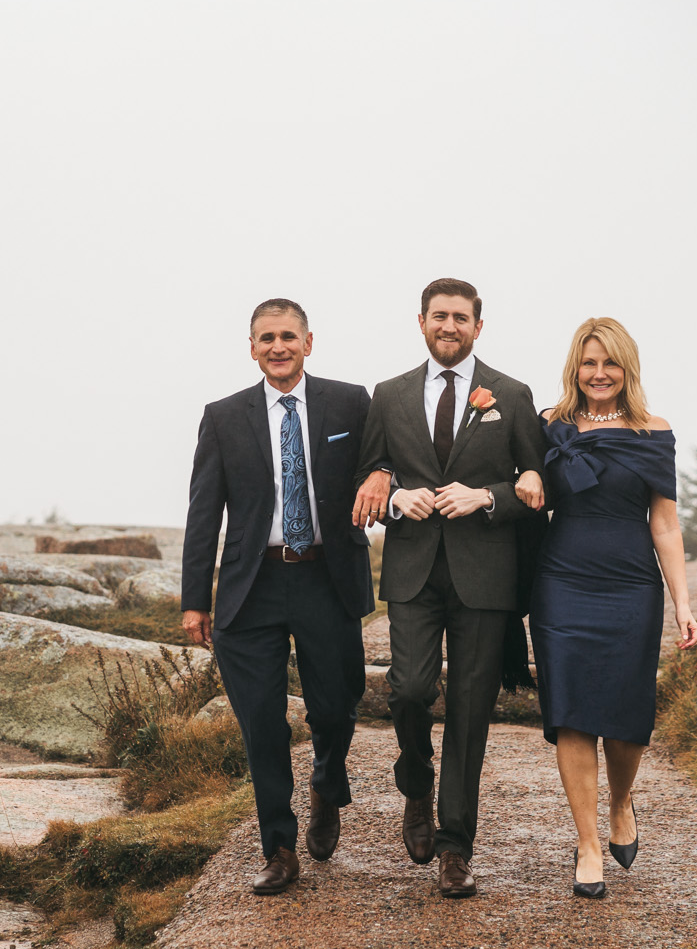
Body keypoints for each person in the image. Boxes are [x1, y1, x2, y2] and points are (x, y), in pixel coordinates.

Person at [351, 278, 545, 898]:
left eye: (461, 318)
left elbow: (537, 485)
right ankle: (416, 782)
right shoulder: (389, 394)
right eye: (440, 316)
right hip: (413, 570)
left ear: (478, 327)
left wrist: (487, 495)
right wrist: (393, 496)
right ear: (422, 322)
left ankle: (456, 846)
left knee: (468, 711)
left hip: (485, 576)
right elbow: (367, 474)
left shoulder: (511, 395)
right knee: (409, 689)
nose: (449, 327)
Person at [183, 298, 375, 895]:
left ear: (308, 343)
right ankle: (279, 848)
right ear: (252, 348)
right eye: (266, 338)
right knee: (261, 723)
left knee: (336, 706)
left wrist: (382, 474)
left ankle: (326, 782)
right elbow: (203, 512)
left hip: (327, 577)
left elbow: (379, 459)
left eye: (288, 336)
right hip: (252, 586)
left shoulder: (350, 402)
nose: (277, 347)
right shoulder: (223, 416)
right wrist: (195, 599)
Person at [523, 317, 697, 899]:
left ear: (627, 368)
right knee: (571, 712)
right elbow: (524, 489)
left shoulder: (654, 431)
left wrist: (682, 603)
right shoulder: (549, 425)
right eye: (589, 363)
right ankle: (588, 844)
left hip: (630, 586)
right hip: (561, 582)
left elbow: (665, 524)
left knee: (626, 716)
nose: (599, 374)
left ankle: (621, 803)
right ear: (575, 367)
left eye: (610, 364)